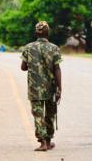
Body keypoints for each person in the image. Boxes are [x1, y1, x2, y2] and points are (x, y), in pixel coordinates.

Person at [21, 21, 62, 151]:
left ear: (36, 33)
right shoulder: (54, 48)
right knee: (50, 114)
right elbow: (57, 69)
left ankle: (42, 142)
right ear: (47, 32)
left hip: (34, 88)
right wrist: (60, 87)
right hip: (50, 87)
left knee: (38, 115)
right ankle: (49, 141)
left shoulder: (28, 47)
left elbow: (23, 67)